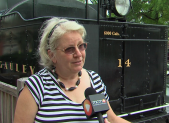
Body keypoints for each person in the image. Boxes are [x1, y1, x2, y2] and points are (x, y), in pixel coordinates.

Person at [14, 17, 131, 123]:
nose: (78, 54)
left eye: (81, 46)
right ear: (52, 55)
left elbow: (112, 119)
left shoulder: (94, 80)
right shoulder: (36, 87)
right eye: (70, 49)